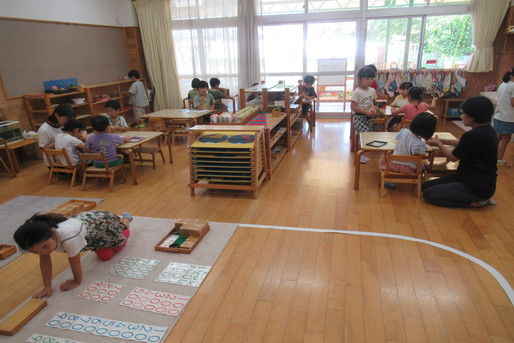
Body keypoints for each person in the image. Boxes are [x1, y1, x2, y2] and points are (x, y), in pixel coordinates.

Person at [13, 211, 133, 298]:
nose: (43, 252)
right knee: (105, 256)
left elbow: (75, 261)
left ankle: (125, 218)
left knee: (118, 244)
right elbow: (44, 261)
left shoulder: (68, 238)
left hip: (104, 223)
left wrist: (76, 281)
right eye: (36, 251)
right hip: (89, 231)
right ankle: (100, 243)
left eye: (45, 247)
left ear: (53, 233)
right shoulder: (42, 239)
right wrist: (47, 286)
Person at [422, 96, 497, 208]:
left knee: (428, 194)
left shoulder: (473, 135)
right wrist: (441, 140)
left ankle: (476, 202)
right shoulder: (488, 130)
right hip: (473, 180)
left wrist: (439, 144)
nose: (461, 116)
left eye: (463, 114)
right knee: (425, 185)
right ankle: (480, 198)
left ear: (472, 118)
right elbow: (463, 144)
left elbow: (453, 157)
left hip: (475, 186)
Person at [380, 112, 436, 188]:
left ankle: (387, 180)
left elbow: (397, 139)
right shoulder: (420, 144)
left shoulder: (403, 131)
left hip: (392, 164)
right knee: (423, 166)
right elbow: (418, 157)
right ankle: (420, 184)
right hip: (408, 169)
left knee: (383, 160)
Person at [351, 66, 378, 163]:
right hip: (359, 117)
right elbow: (353, 107)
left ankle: (362, 154)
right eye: (367, 79)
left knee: (368, 136)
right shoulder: (357, 92)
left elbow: (374, 102)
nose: (370, 81)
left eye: (371, 79)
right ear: (360, 79)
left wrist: (374, 109)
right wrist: (366, 112)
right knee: (364, 136)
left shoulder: (372, 91)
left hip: (369, 117)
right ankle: (360, 155)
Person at [493, 67, 514, 167]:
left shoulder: (503, 84)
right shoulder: (513, 86)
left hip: (499, 115)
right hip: (508, 117)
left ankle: (492, 157)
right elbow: (513, 103)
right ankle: (499, 160)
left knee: (498, 137)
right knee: (505, 139)